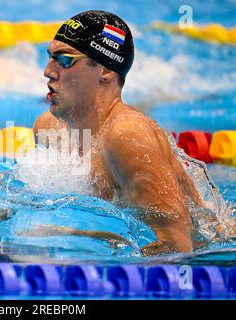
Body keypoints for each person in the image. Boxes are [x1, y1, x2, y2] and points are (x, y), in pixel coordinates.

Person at [32, 10, 207, 256]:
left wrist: (71, 234)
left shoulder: (127, 136)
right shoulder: (49, 129)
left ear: (105, 70)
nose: (48, 71)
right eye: (50, 57)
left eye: (64, 60)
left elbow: (177, 247)